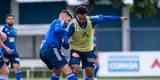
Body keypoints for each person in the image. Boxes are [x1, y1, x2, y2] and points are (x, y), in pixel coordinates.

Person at [63, 6, 128, 80]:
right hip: (76, 50)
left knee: (90, 73)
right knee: (76, 69)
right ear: (77, 15)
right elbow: (66, 35)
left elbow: (105, 18)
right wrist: (65, 42)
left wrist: (119, 18)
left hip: (88, 50)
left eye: (84, 18)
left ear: (86, 15)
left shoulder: (91, 20)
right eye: (80, 18)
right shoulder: (72, 24)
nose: (82, 20)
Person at [39, 10, 78, 80]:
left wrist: (69, 42)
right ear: (63, 15)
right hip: (51, 48)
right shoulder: (57, 21)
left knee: (57, 71)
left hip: (43, 52)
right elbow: (57, 29)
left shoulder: (64, 28)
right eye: (69, 19)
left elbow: (65, 45)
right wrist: (66, 32)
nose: (69, 22)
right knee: (67, 70)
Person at [1, 14, 23, 80]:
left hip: (13, 52)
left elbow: (12, 41)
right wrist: (5, 48)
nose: (11, 20)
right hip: (5, 52)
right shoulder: (3, 29)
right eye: (9, 19)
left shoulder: (15, 30)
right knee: (5, 71)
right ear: (6, 20)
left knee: (18, 68)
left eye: (12, 19)